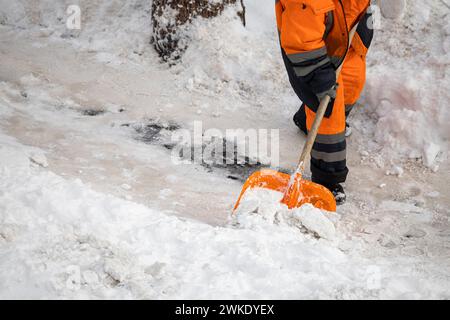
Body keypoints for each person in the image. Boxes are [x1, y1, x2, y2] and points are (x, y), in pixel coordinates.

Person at [275, 0, 374, 204]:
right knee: (329, 106)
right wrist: (319, 77)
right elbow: (301, 41)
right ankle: (326, 178)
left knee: (353, 80)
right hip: (306, 45)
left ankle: (308, 120)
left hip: (344, 27)